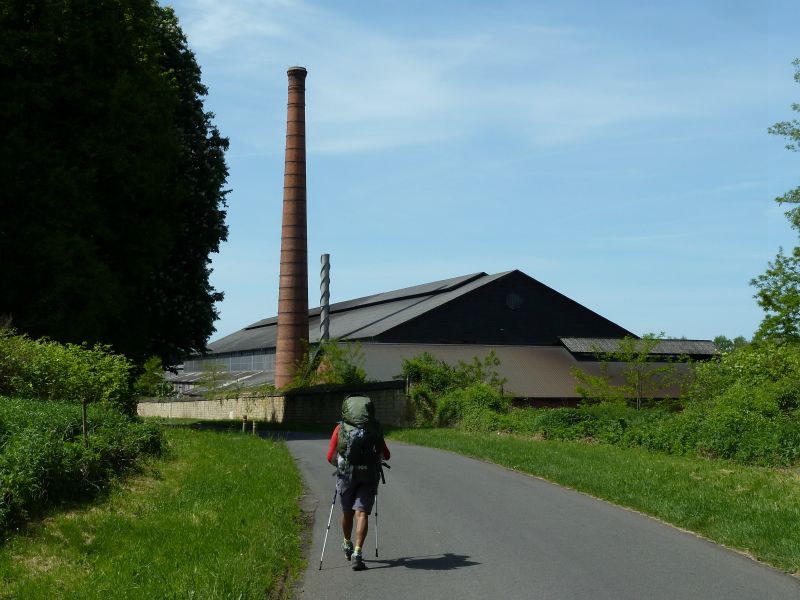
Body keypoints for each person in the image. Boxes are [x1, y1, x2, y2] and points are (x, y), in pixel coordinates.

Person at [326, 395, 390, 571]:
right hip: (369, 476)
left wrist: (341, 465)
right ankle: (358, 553)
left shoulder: (340, 428)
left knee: (347, 513)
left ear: (346, 410)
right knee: (362, 514)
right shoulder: (375, 428)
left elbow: (329, 456)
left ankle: (347, 544)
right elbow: (387, 454)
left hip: (346, 476)